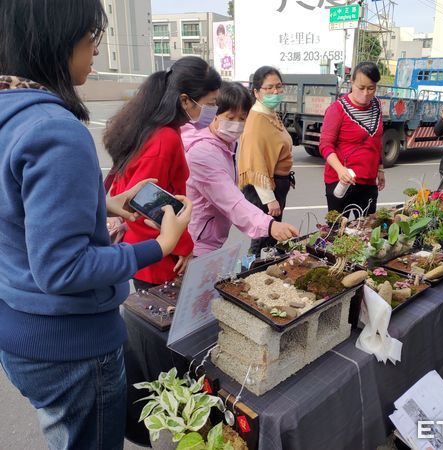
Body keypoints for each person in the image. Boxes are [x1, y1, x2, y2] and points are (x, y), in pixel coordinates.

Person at [0, 1, 192, 449]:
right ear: (57, 41)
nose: (96, 53)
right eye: (93, 39)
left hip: (19, 329)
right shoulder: (55, 130)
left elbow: (14, 210)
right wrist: (160, 246)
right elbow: (63, 270)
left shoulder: (11, 115)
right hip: (70, 346)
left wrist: (102, 203)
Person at [104, 56, 221, 290]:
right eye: (211, 103)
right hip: (159, 255)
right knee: (161, 321)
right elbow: (144, 204)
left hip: (151, 248)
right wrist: (183, 246)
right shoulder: (164, 139)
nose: (213, 110)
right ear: (185, 100)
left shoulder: (153, 127)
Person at [182, 82, 299, 256]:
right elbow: (231, 201)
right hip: (194, 241)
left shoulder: (227, 143)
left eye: (243, 118)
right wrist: (269, 225)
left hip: (207, 235)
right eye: (230, 118)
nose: (237, 124)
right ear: (214, 113)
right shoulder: (202, 152)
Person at [238, 66, 294, 257]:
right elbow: (255, 163)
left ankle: (265, 272)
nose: (275, 91)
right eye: (268, 88)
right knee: (263, 237)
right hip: (265, 189)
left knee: (271, 238)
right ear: (256, 92)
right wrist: (270, 199)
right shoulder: (257, 119)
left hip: (276, 185)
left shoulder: (270, 114)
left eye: (279, 86)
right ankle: (252, 273)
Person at [320, 61, 385, 217]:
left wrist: (380, 168)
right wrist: (340, 169)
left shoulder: (376, 105)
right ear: (352, 82)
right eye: (361, 88)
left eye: (371, 88)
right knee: (337, 231)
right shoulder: (337, 109)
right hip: (342, 181)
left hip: (368, 182)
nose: (365, 93)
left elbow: (376, 141)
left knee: (366, 229)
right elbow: (325, 145)